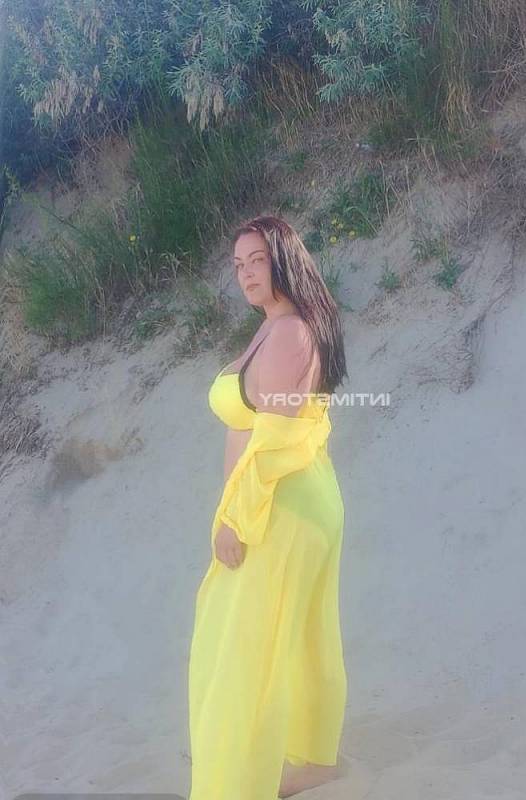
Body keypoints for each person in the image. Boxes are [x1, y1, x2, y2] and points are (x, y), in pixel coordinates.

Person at [187, 215, 349, 799]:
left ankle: (242, 780)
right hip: (298, 500)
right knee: (304, 635)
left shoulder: (290, 334)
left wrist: (235, 518)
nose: (246, 273)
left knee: (245, 643)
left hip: (282, 504)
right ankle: (313, 761)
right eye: (238, 265)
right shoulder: (276, 326)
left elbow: (275, 440)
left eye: (257, 260)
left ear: (283, 259)